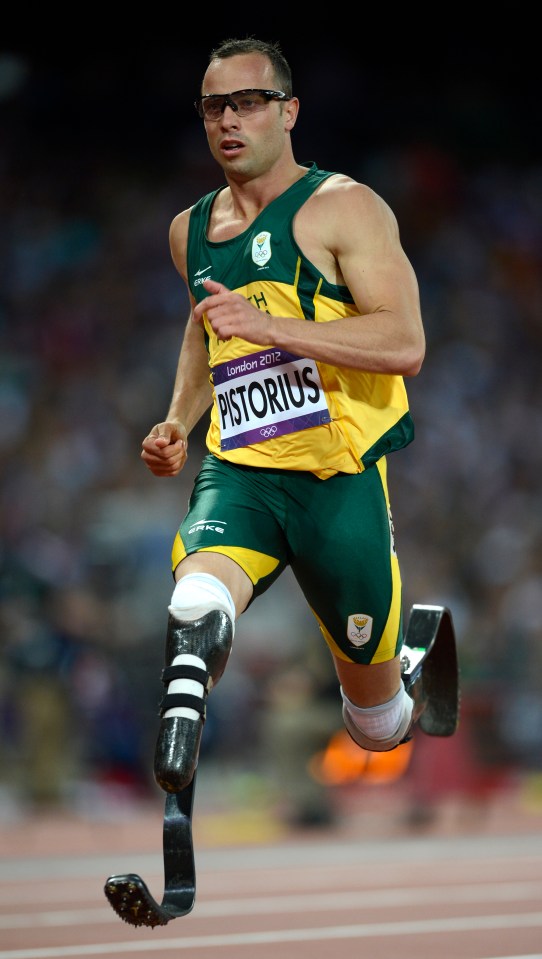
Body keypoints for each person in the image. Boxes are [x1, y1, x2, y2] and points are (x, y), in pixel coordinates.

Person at [141, 37, 430, 797]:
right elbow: (206, 327)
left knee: (376, 723)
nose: (230, 120)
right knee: (194, 603)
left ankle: (410, 668)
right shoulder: (189, 230)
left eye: (249, 102)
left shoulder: (346, 207)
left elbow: (404, 342)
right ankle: (174, 758)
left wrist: (277, 328)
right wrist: (177, 417)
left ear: (289, 111)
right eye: (215, 106)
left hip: (337, 482)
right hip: (242, 470)